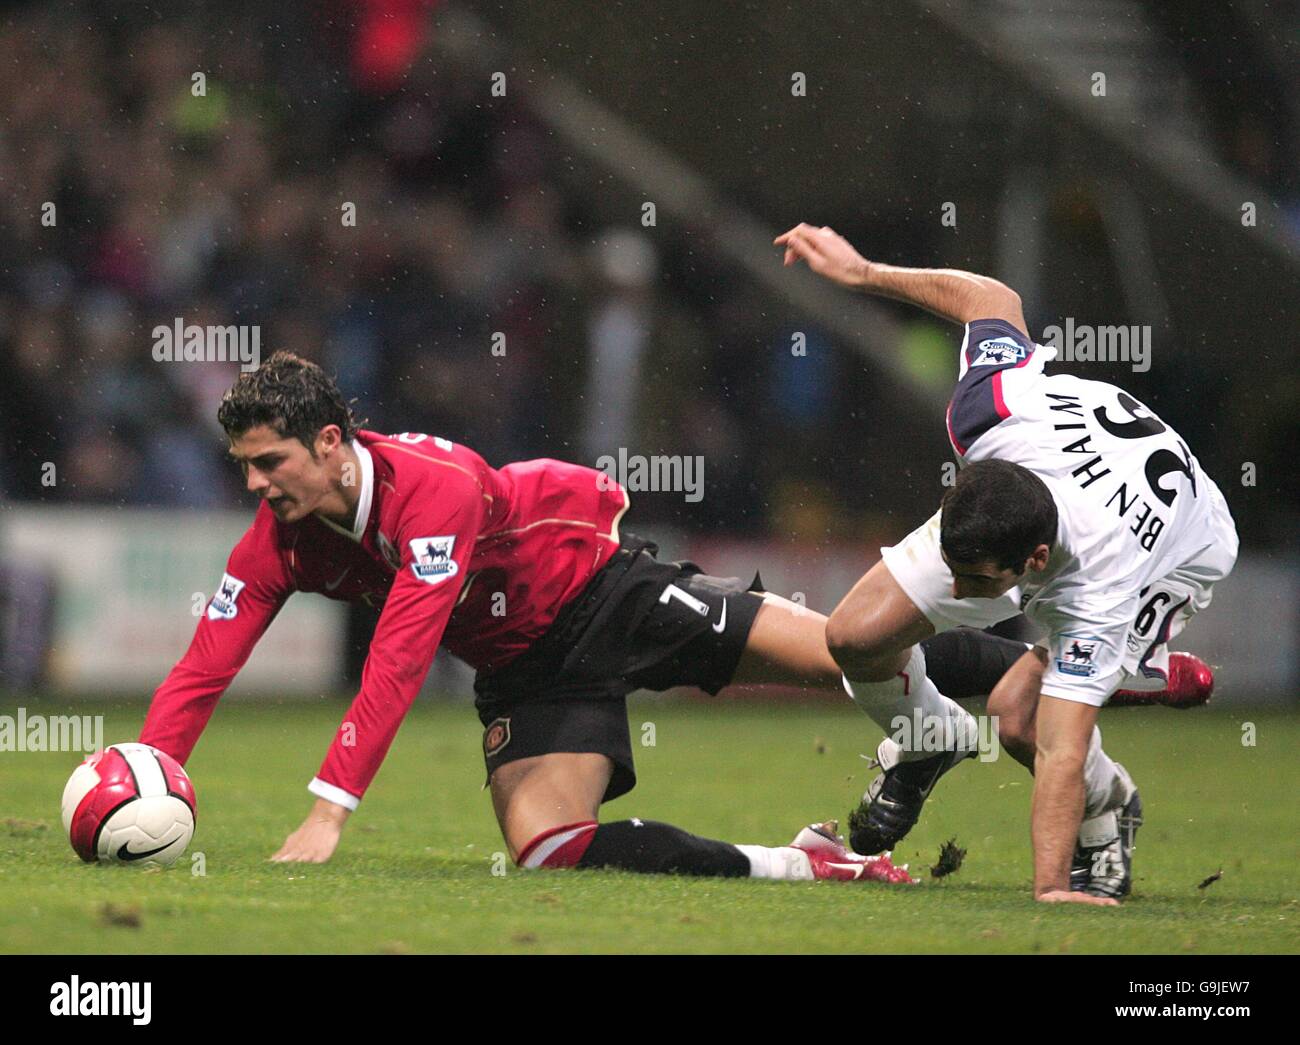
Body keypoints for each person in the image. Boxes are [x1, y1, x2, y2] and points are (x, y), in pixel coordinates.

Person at [139, 351, 1034, 884]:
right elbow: (205, 661)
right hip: (526, 668)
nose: (254, 484)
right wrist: (149, 769)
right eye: (245, 466)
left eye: (268, 461)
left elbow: (401, 657)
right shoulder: (283, 537)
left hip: (603, 591)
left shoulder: (432, 492)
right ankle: (807, 862)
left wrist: (329, 811)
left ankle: (1033, 672)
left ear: (330, 443)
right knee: (547, 851)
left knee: (843, 647)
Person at [775, 224, 1235, 904]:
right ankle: (928, 736)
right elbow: (991, 294)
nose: (958, 597)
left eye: (978, 582)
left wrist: (1049, 888)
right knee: (854, 637)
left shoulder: (1099, 582)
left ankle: (1109, 808)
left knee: (1021, 717)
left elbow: (1061, 749)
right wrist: (864, 272)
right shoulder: (989, 414)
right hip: (1041, 476)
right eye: (956, 569)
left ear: (1034, 562)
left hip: (1177, 546)